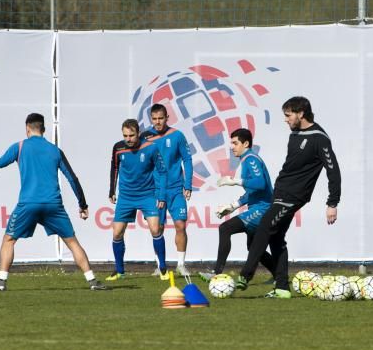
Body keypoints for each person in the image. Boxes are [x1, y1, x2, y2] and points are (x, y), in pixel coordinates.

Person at [0, 113, 106, 291]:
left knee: (9, 240)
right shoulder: (55, 150)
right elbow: (72, 178)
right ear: (43, 129)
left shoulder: (19, 147)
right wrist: (83, 204)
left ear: (27, 128)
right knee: (72, 242)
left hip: (29, 204)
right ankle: (92, 281)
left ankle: (1, 282)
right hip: (53, 204)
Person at [236, 96, 340, 299]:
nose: (285, 119)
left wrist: (332, 203)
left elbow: (333, 171)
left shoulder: (320, 138)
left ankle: (245, 275)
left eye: (288, 115)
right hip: (280, 193)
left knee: (265, 226)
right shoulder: (295, 134)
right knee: (276, 238)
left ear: (301, 113)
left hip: (294, 196)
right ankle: (282, 287)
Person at [200, 128, 276, 281]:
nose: (232, 146)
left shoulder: (251, 159)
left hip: (262, 209)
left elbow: (260, 183)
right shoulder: (247, 159)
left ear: (246, 143)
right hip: (258, 207)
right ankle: (279, 276)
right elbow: (253, 191)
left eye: (235, 143)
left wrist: (235, 181)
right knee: (254, 247)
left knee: (225, 228)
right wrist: (233, 206)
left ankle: (217, 273)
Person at [106, 119, 167, 281]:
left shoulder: (151, 147)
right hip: (126, 196)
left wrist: (161, 195)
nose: (128, 139)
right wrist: (112, 190)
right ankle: (120, 271)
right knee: (117, 232)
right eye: (125, 135)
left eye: (131, 135)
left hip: (148, 195)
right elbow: (115, 168)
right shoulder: (118, 148)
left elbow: (162, 171)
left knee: (156, 229)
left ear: (138, 133)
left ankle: (163, 268)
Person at [140, 104, 193, 278]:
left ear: (167, 117)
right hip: (155, 190)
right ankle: (159, 266)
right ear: (151, 119)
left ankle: (181, 265)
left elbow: (187, 159)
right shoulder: (145, 137)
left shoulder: (177, 135)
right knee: (157, 228)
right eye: (154, 119)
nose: (158, 122)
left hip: (176, 188)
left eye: (161, 118)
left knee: (180, 225)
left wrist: (188, 184)